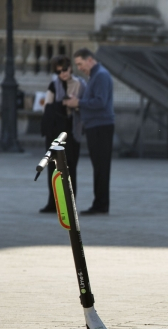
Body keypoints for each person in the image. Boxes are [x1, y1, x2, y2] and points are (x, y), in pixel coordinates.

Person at [64, 48, 115, 215]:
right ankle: (100, 203)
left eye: (80, 63)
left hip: (100, 126)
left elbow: (100, 102)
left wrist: (78, 103)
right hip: (96, 126)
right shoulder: (96, 74)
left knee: (101, 167)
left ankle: (100, 205)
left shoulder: (100, 75)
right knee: (99, 166)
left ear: (90, 60)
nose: (79, 68)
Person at [39, 55, 86, 213]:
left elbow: (83, 106)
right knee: (53, 167)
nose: (63, 74)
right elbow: (48, 107)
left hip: (71, 131)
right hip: (54, 131)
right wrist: (65, 103)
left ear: (70, 68)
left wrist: (73, 104)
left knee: (70, 168)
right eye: (59, 72)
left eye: (65, 70)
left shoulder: (80, 84)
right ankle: (53, 203)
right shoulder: (54, 84)